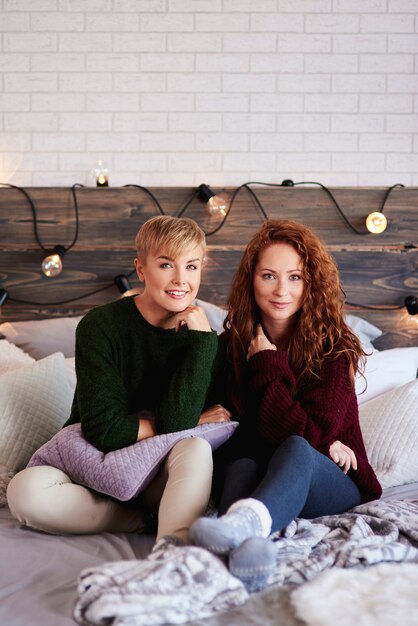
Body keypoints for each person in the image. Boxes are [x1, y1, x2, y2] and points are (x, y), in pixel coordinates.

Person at [7, 215, 231, 550]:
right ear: (141, 270)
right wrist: (194, 421)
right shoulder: (101, 325)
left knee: (195, 447)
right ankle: (135, 520)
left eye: (192, 267)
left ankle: (175, 555)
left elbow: (177, 425)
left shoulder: (205, 340)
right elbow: (103, 430)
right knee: (24, 491)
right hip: (90, 465)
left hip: (158, 473)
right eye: (166, 265)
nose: (181, 280)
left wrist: (202, 344)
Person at [190, 219, 382, 591]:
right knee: (240, 465)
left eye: (295, 277)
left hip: (330, 480)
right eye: (268, 276)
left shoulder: (333, 348)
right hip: (260, 469)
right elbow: (234, 436)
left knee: (295, 447)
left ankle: (245, 524)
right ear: (252, 281)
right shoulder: (229, 346)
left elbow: (305, 440)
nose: (282, 290)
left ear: (310, 284)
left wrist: (267, 364)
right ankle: (250, 550)